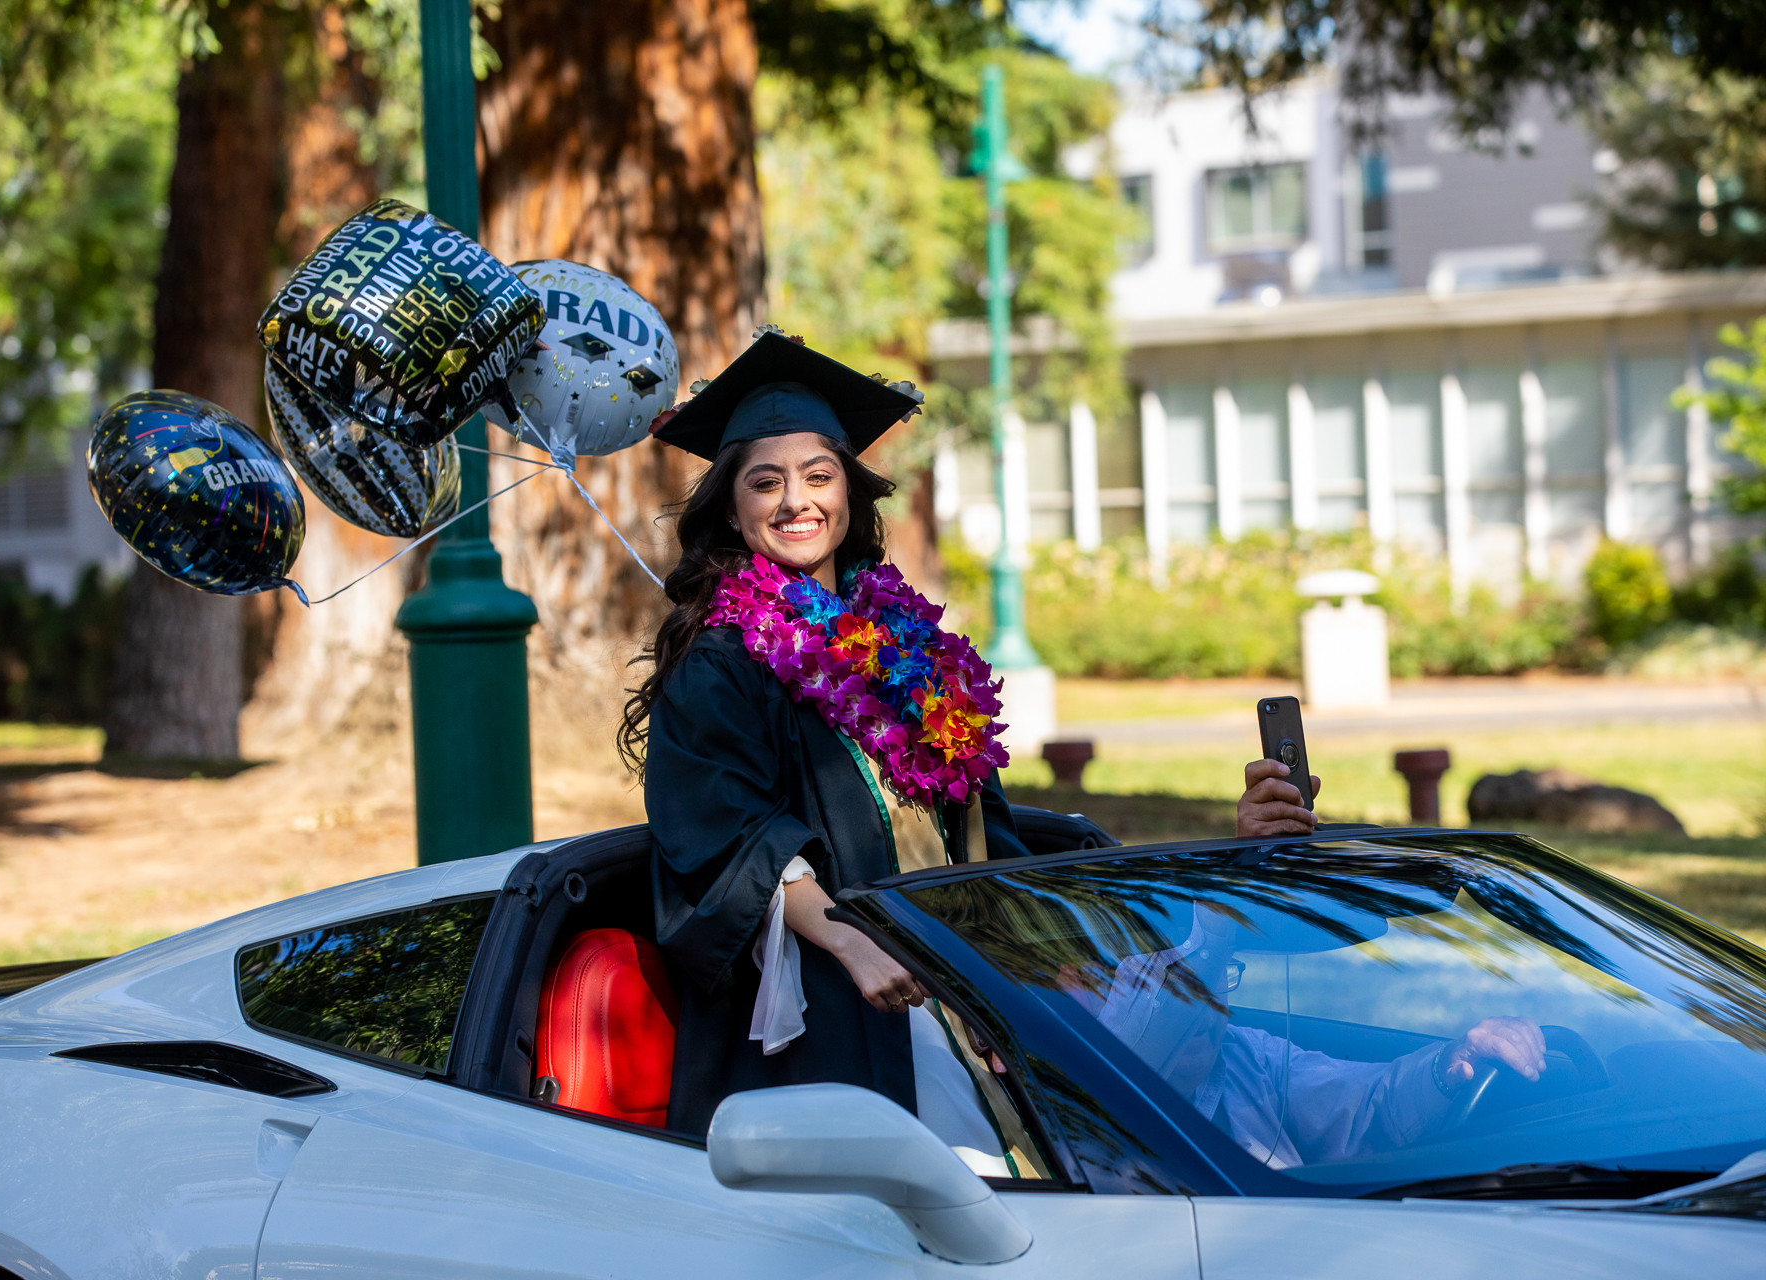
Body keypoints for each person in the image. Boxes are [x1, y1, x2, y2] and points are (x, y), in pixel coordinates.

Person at [621, 330, 1319, 1146]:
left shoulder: (900, 641)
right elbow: (724, 834)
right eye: (765, 483)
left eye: (818, 476)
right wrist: (851, 942)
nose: (795, 501)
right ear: (733, 509)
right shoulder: (723, 660)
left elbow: (980, 840)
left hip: (961, 970)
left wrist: (1199, 874)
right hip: (852, 1003)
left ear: (851, 491)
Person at [1062, 904, 1548, 1169]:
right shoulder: (1053, 1088)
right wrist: (1212, 926)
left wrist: (1452, 1066)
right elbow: (1133, 1065)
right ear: (1071, 992)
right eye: (1144, 982)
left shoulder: (1248, 1057)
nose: (1204, 1007)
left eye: (1214, 978)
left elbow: (1369, 1106)